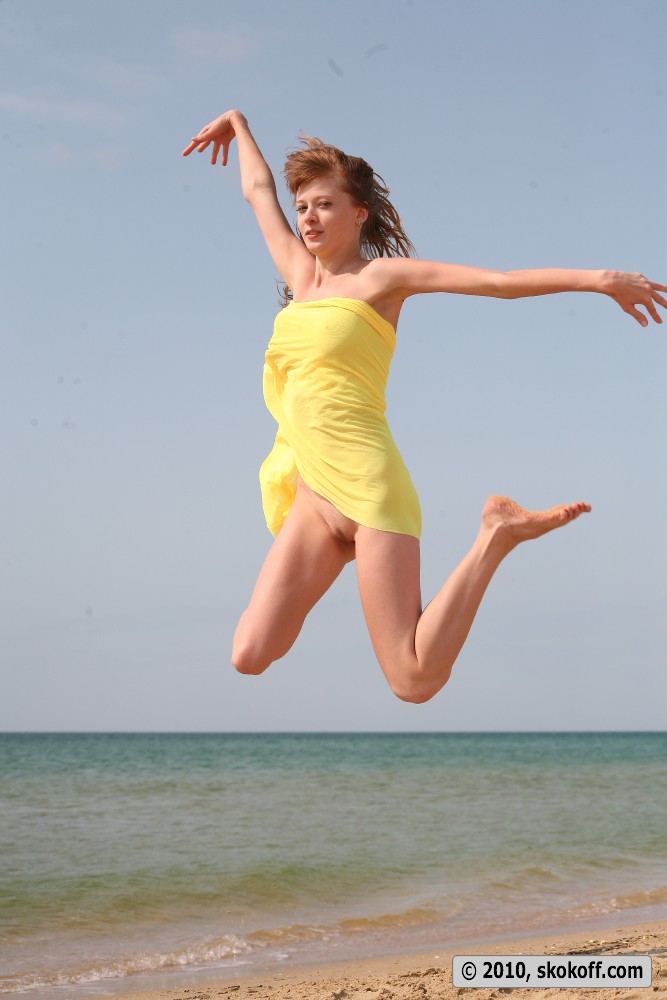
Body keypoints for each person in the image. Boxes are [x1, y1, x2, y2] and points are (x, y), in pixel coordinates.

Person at [182, 110, 666, 704]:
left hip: (369, 487)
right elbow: (258, 191)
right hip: (312, 495)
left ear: (359, 213)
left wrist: (600, 279)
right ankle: (481, 537)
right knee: (249, 653)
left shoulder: (383, 279)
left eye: (325, 204)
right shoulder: (299, 276)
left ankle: (495, 537)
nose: (308, 217)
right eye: (303, 206)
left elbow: (498, 282)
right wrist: (238, 123)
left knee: (412, 679)